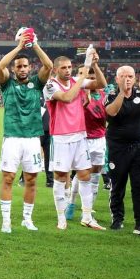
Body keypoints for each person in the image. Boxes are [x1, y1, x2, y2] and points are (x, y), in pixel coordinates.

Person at [0, 32, 53, 233]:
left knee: (31, 179)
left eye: (25, 66)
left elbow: (49, 66)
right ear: (14, 68)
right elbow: (0, 66)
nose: (21, 69)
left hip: (32, 139)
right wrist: (20, 47)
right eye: (18, 66)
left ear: (30, 68)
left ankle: (27, 219)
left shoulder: (37, 83)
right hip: (12, 137)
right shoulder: (7, 83)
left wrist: (35, 44)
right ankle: (6, 221)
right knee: (9, 178)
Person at [43, 51, 107, 230]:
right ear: (55, 69)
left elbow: (101, 84)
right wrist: (84, 73)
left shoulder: (75, 82)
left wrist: (94, 65)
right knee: (61, 177)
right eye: (64, 68)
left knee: (85, 175)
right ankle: (61, 217)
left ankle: (87, 217)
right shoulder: (50, 85)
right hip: (61, 138)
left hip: (80, 136)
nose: (68, 70)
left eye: (70, 67)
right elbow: (67, 97)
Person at [104, 66, 140, 233]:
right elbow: (111, 113)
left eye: (130, 76)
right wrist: (122, 92)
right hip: (117, 148)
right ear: (117, 79)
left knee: (139, 186)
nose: (127, 79)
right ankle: (117, 219)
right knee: (118, 184)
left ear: (135, 78)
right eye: (123, 76)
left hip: (138, 147)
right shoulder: (111, 96)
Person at [66, 74, 107, 221]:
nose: (91, 81)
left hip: (100, 139)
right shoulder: (78, 95)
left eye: (93, 78)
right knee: (82, 174)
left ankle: (88, 209)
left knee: (95, 175)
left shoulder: (104, 95)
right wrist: (84, 102)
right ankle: (71, 203)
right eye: (88, 78)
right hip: (84, 138)